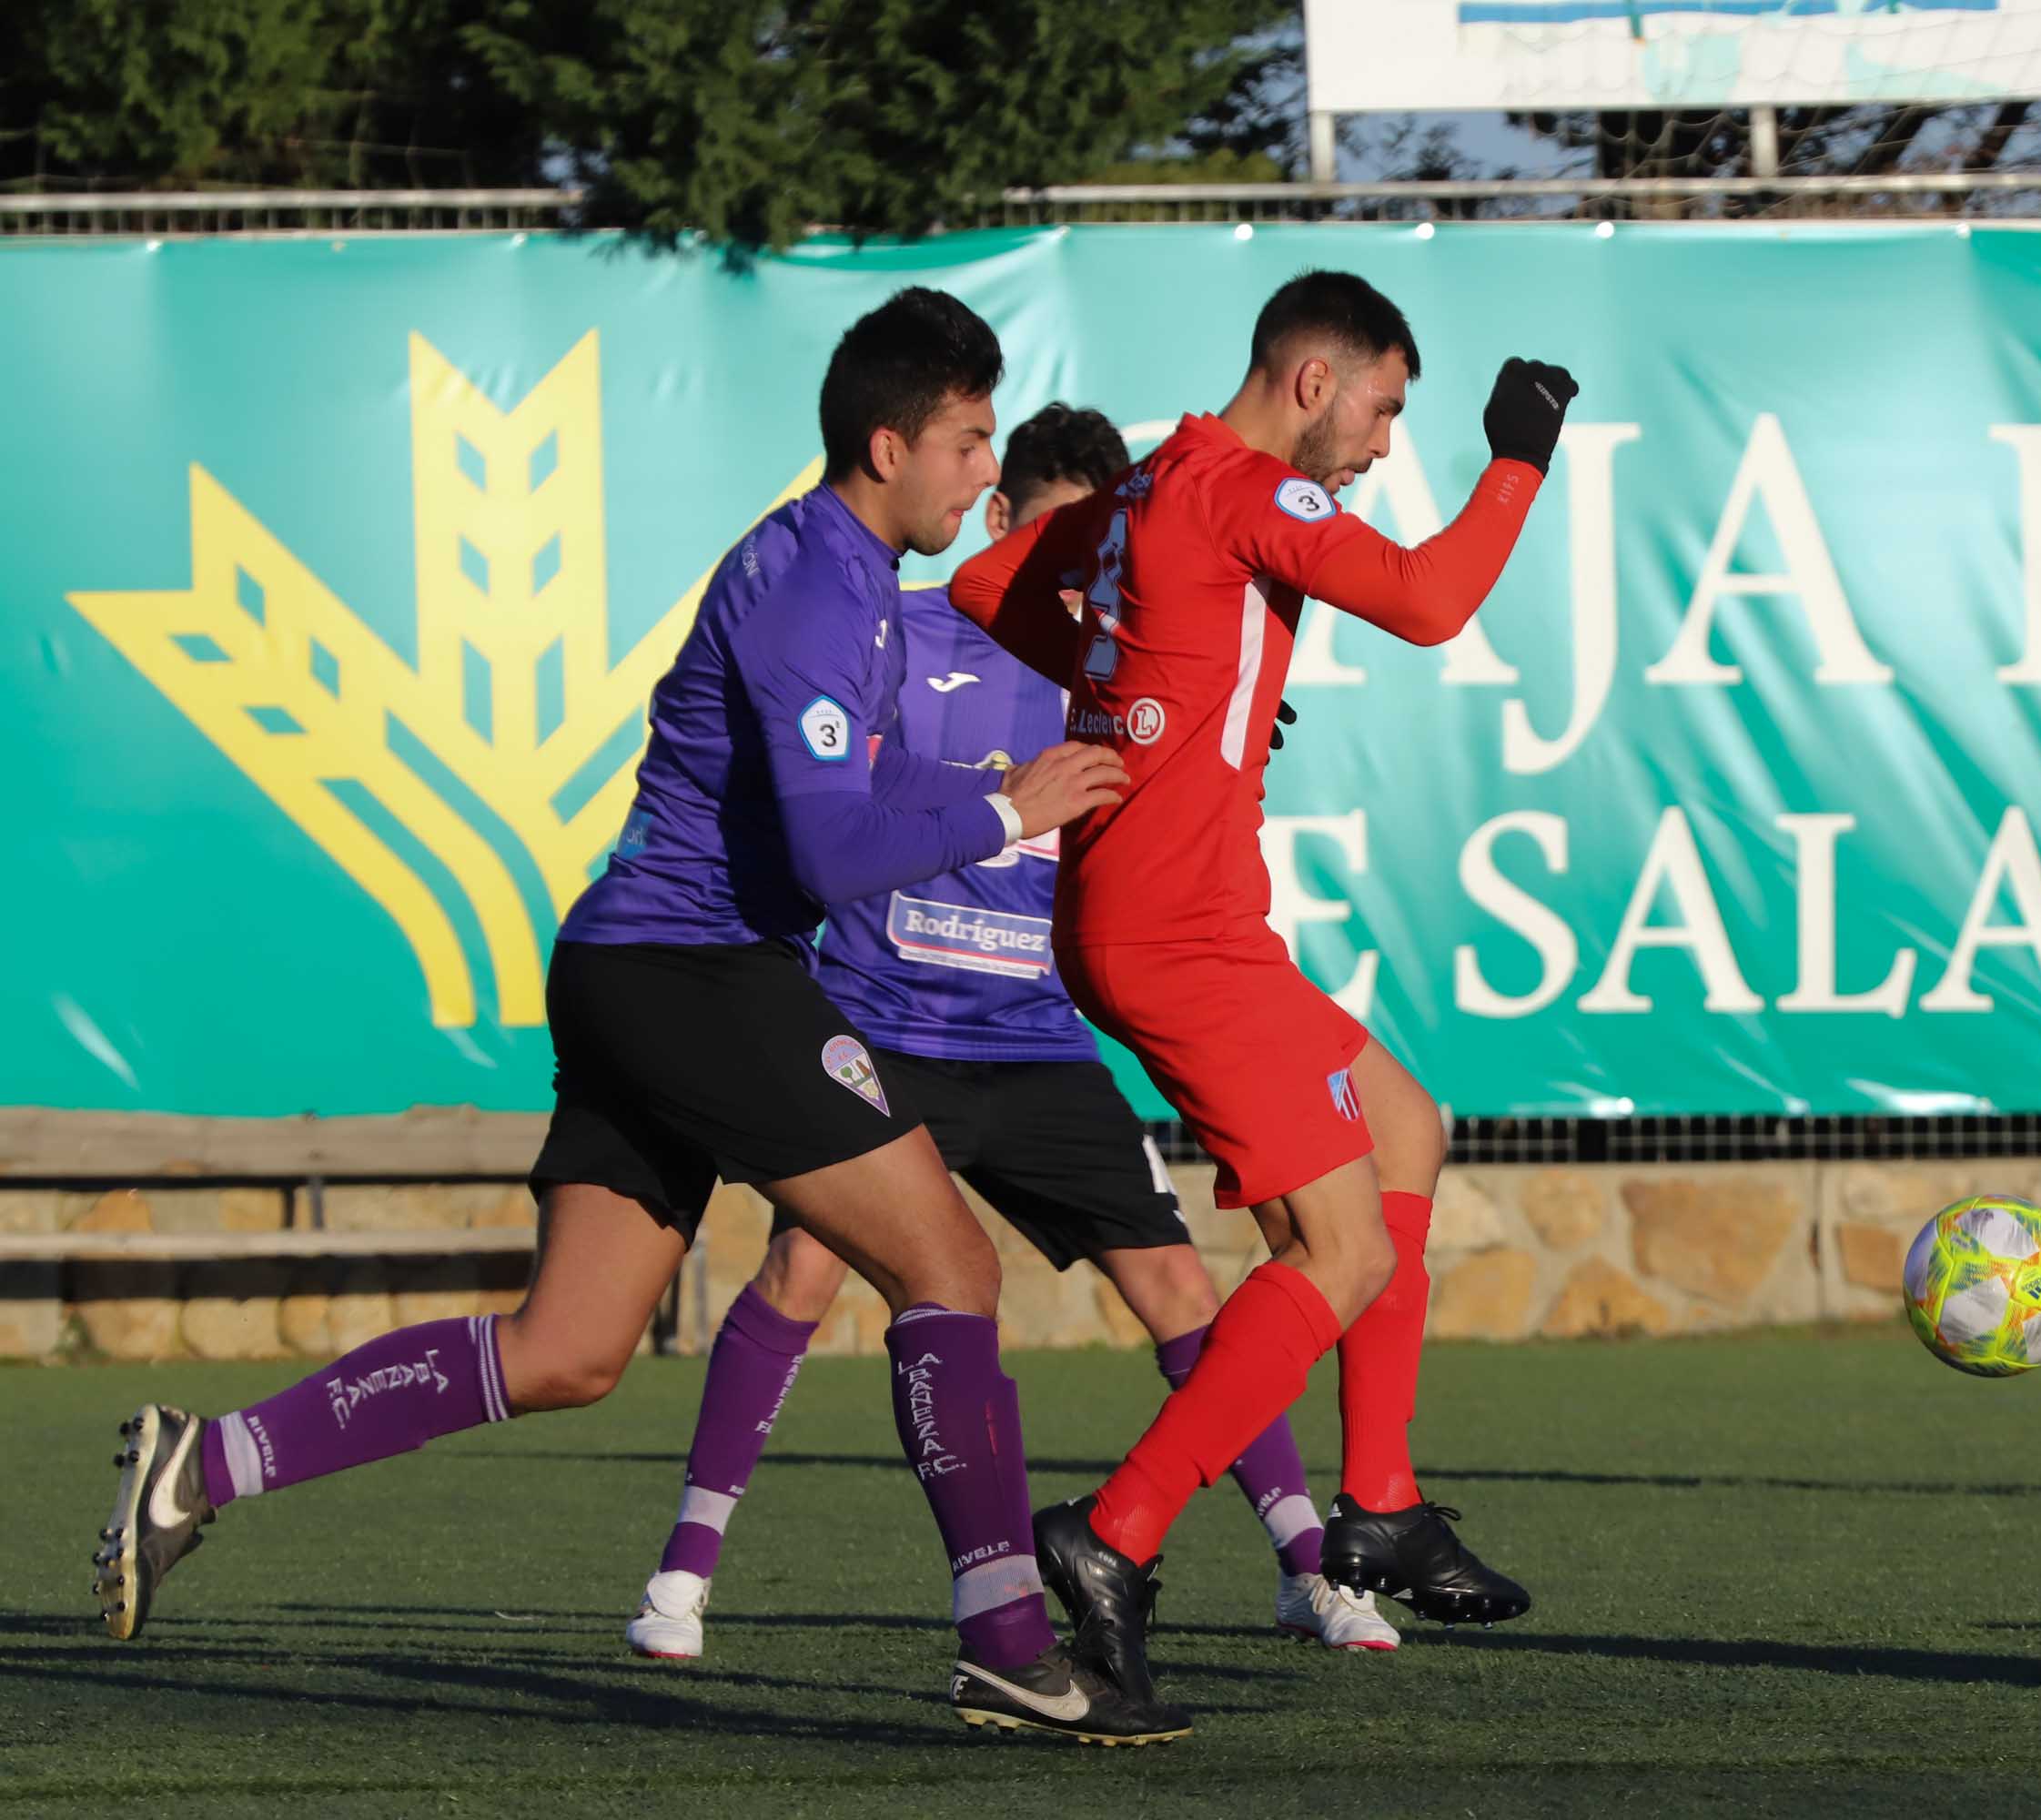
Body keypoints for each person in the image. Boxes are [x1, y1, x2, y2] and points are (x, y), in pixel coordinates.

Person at [90, 289, 1185, 1746]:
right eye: (972, 441)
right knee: (951, 1264)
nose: (989, 473)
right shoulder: (815, 586)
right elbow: (826, 856)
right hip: (694, 973)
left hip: (640, 969)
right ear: (886, 444)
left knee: (569, 1351)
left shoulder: (849, 577)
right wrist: (1006, 806)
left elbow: (860, 804)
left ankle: (203, 1462)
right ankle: (1004, 1643)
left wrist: (1038, 785)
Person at [622, 402, 1397, 1663]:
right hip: (887, 1032)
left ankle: (1312, 1567)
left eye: (1102, 556)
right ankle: (682, 1573)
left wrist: (1224, 730)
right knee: (801, 1277)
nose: (1083, 580)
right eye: (1053, 541)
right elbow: (833, 784)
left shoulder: (1142, 666)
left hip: (1038, 1043)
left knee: (1180, 1288)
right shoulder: (903, 636)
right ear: (1000, 523)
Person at [951, 268, 1575, 1710]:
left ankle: (1383, 1501)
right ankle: (1114, 1535)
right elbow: (1426, 601)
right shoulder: (1238, 487)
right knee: (1341, 1258)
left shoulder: (1161, 477)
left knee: (1407, 1127)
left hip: (1158, 916)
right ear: (1312, 380)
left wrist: (1150, 676)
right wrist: (1517, 459)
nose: (1379, 445)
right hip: (1180, 931)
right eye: (1382, 409)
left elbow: (994, 582)